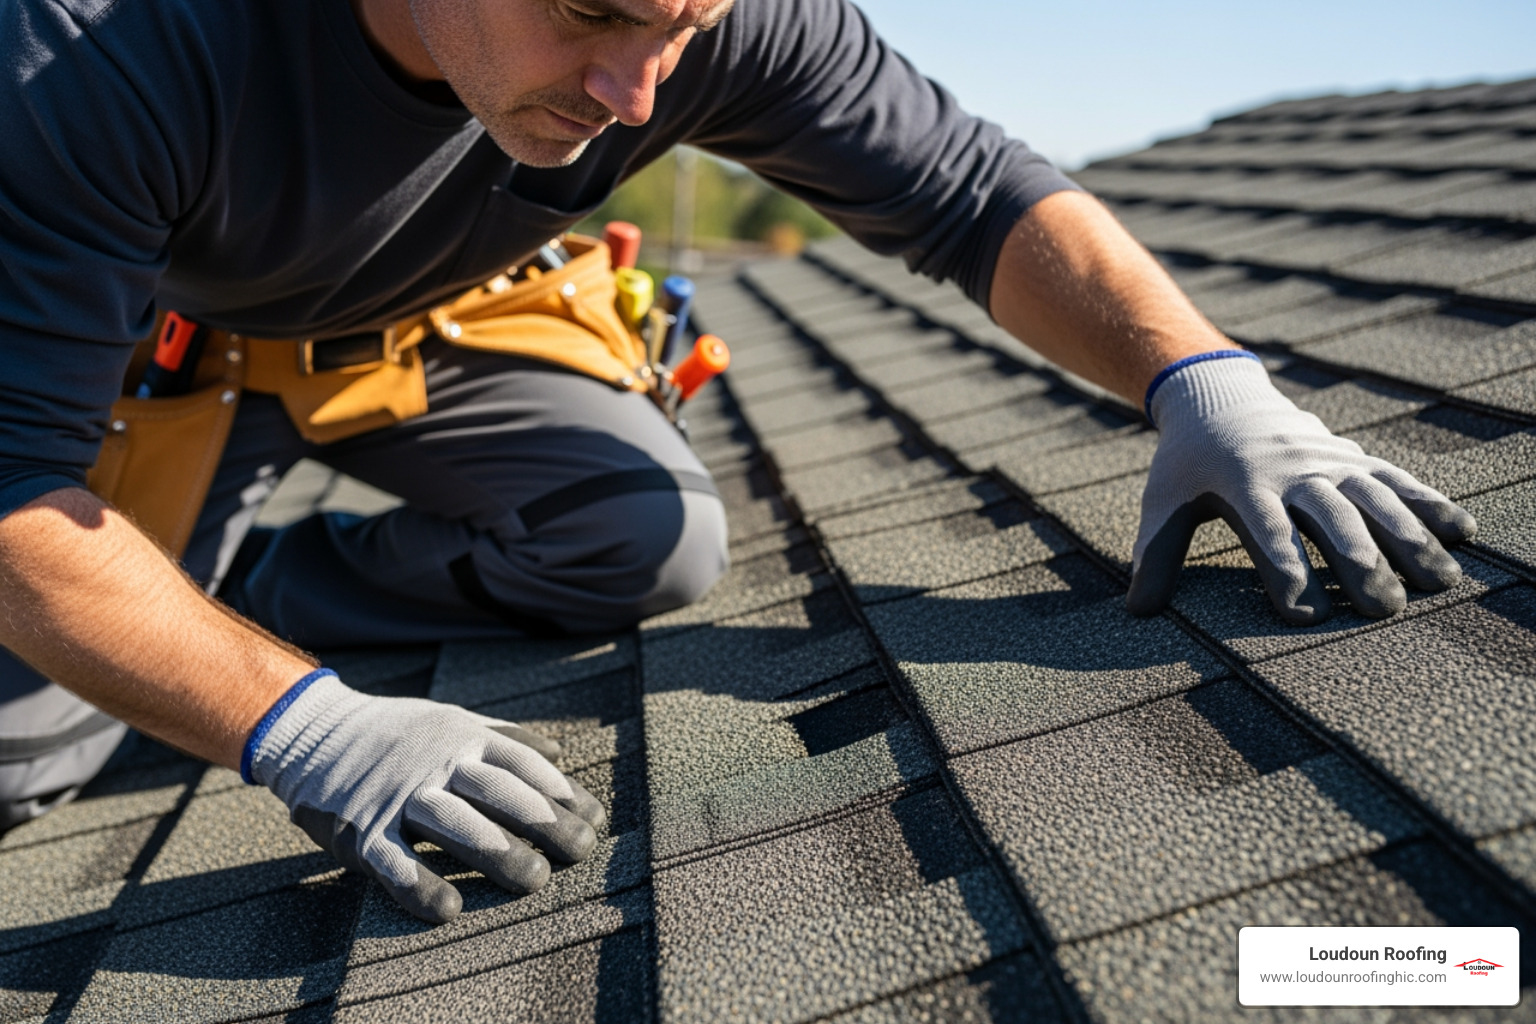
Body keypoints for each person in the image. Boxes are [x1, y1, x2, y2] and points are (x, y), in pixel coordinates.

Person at [0, 0, 1475, 924]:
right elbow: (13, 493)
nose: (637, 95)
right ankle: (178, 597)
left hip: (419, 316)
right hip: (144, 355)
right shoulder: (93, 56)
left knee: (643, 534)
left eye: (681, 29)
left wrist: (1209, 385)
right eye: (591, 16)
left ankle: (233, 586)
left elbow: (973, 194)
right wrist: (305, 729)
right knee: (27, 759)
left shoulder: (700, 27)